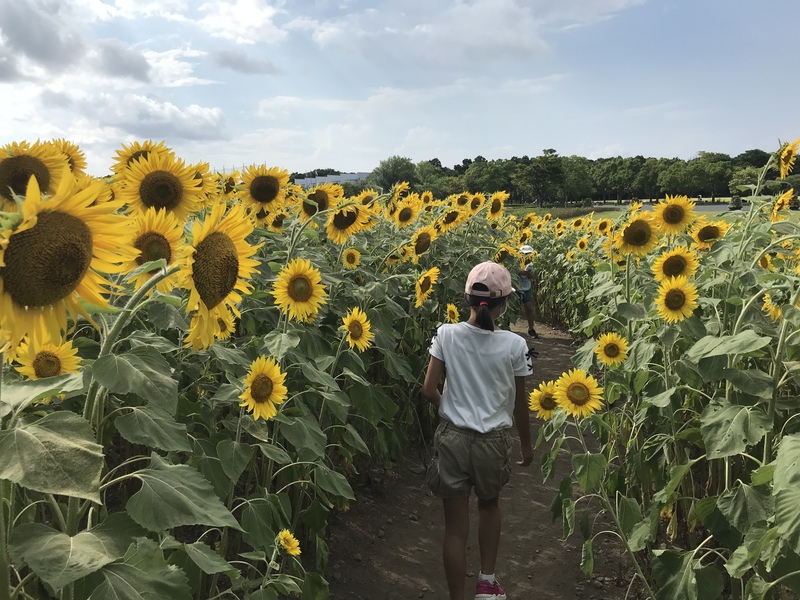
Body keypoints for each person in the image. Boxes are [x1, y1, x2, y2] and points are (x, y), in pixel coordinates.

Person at [422, 261, 534, 600]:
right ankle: (486, 583)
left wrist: (451, 410)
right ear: (503, 305)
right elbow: (519, 403)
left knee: (455, 529)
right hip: (492, 442)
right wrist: (526, 447)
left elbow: (428, 389)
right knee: (489, 506)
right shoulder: (515, 345)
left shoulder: (446, 334)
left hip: (452, 438)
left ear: (468, 300)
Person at [516, 245, 539, 339]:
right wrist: (521, 272)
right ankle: (507, 327)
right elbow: (515, 272)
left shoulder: (531, 264)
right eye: (525, 254)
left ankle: (531, 329)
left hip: (526, 288)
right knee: (514, 309)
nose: (527, 256)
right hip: (516, 286)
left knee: (529, 308)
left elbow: (531, 276)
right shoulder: (516, 263)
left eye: (529, 254)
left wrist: (529, 274)